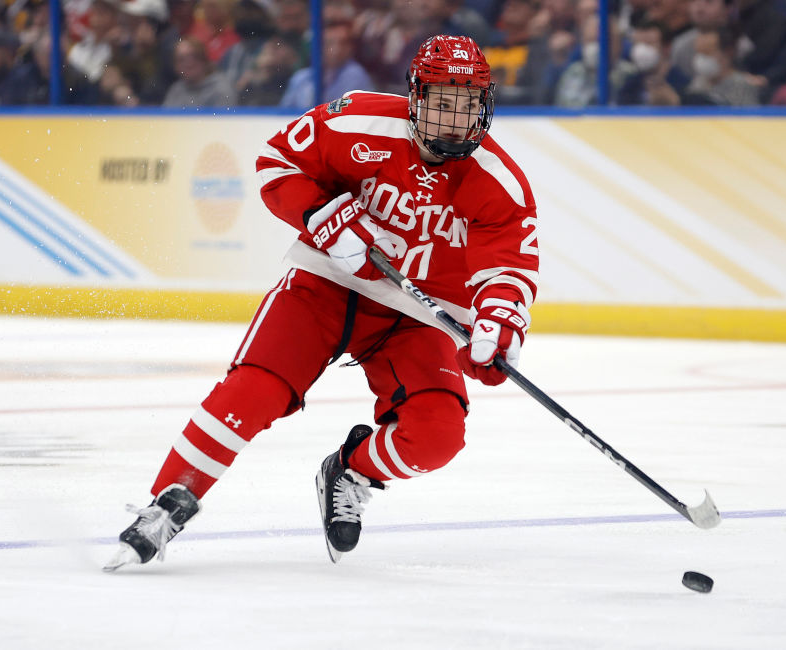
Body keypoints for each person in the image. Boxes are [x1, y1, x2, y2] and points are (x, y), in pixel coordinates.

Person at [104, 34, 539, 570]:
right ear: (415, 97)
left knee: (438, 436)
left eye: (468, 104)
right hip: (326, 283)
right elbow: (276, 162)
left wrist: (500, 322)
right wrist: (319, 214)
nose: (455, 120)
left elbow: (508, 268)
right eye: (443, 103)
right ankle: (166, 504)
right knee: (254, 391)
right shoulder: (356, 120)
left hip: (416, 316)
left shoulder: (500, 182)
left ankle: (350, 470)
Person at [280, 20, 374, 109]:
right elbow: (284, 113)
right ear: (316, 45)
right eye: (329, 43)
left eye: (343, 43)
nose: (337, 50)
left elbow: (335, 112)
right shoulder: (301, 78)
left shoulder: (354, 74)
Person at [682, 26, 760, 105]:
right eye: (699, 52)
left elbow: (749, 115)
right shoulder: (698, 83)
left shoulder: (743, 85)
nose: (701, 59)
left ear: (728, 52)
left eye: (707, 52)